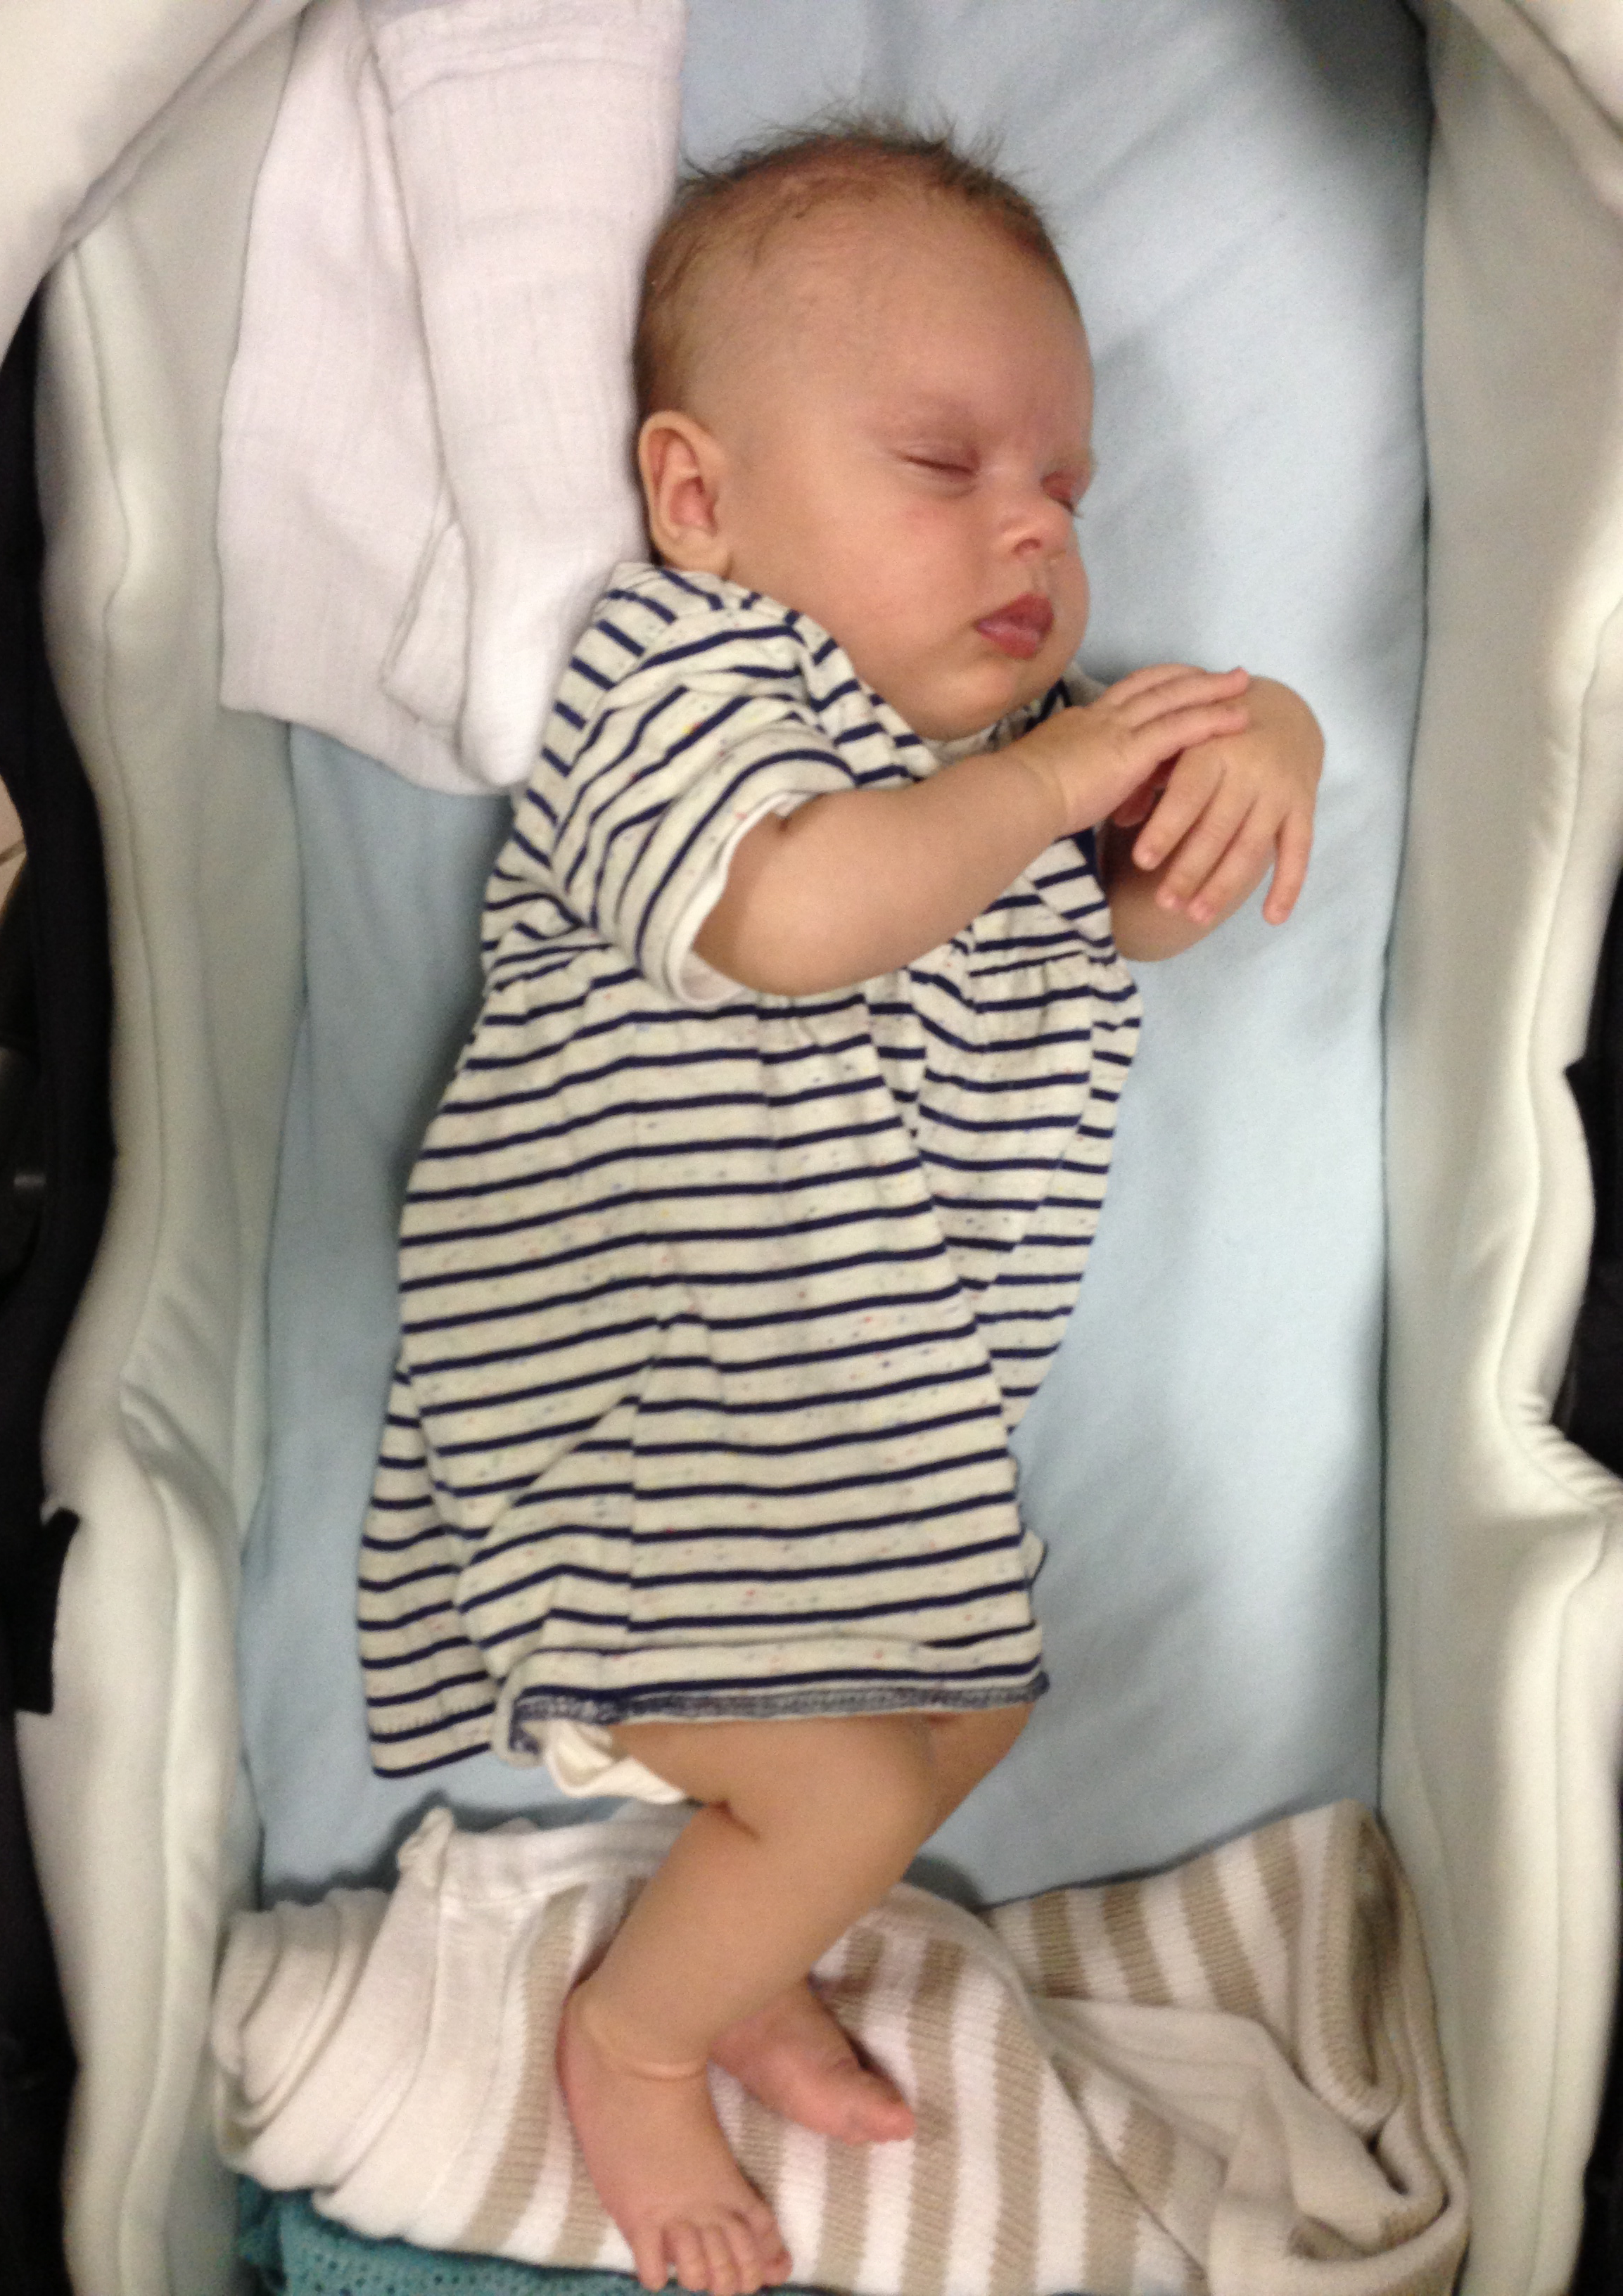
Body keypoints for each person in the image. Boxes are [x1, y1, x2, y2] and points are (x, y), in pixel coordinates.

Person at [357, 125, 1323, 2296]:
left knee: (971, 1707)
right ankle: (631, 2042)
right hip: (630, 1437)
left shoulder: (1011, 756)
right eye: (943, 463)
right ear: (700, 498)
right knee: (860, 1789)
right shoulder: (681, 678)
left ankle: (747, 1949)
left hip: (853, 1465)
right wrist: (1056, 777)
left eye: (1065, 488)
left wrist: (1269, 743)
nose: (1034, 526)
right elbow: (792, 918)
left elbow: (1140, 915)